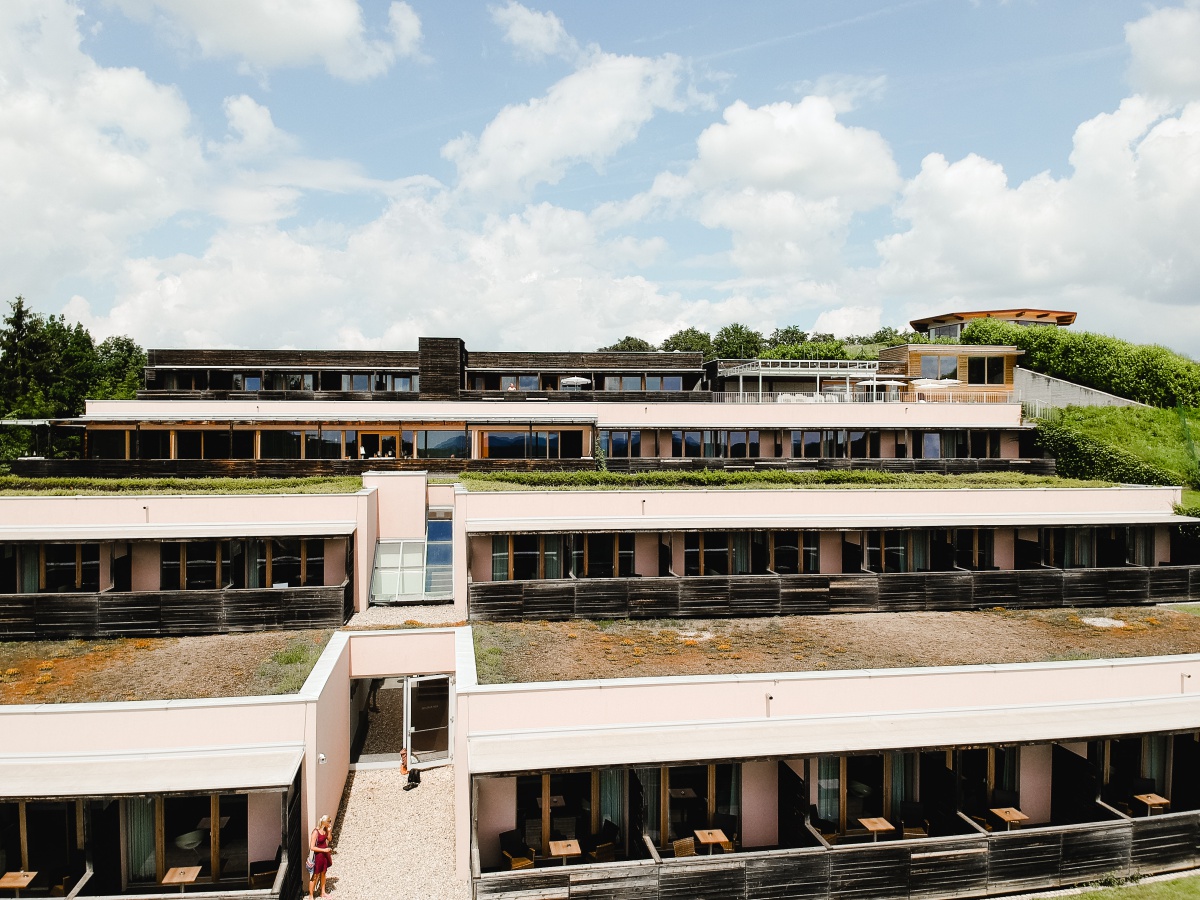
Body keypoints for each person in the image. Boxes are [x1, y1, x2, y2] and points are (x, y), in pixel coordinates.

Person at [308, 814, 334, 899]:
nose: (330, 823)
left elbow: (329, 839)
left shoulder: (325, 830)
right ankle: (311, 895)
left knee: (323, 873)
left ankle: (323, 892)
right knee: (315, 875)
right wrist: (324, 850)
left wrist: (329, 832)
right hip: (318, 856)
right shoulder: (316, 832)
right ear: (324, 822)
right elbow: (312, 847)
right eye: (329, 821)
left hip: (325, 855)